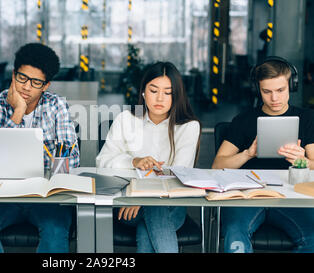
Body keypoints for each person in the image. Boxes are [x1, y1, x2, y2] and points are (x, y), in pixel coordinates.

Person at [0, 43, 80, 253]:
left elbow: (71, 159)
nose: (26, 87)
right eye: (22, 78)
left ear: (46, 85)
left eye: (36, 82)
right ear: (13, 75)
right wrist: (18, 112)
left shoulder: (57, 106)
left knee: (56, 227)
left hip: (44, 196)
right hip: (1, 195)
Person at [96, 61, 201, 253]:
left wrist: (143, 197)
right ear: (143, 92)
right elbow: (103, 161)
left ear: (176, 95)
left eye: (168, 92)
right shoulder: (126, 120)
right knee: (153, 211)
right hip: (128, 204)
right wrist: (133, 161)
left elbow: (179, 173)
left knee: (152, 216)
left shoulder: (188, 127)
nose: (160, 98)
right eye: (153, 90)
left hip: (171, 206)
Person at [212, 56, 314, 253]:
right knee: (235, 237)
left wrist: (303, 162)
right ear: (257, 89)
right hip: (247, 196)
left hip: (291, 197)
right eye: (267, 92)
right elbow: (217, 165)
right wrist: (248, 154)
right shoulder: (244, 120)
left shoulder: (307, 118)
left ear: (291, 86)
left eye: (280, 90)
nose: (274, 98)